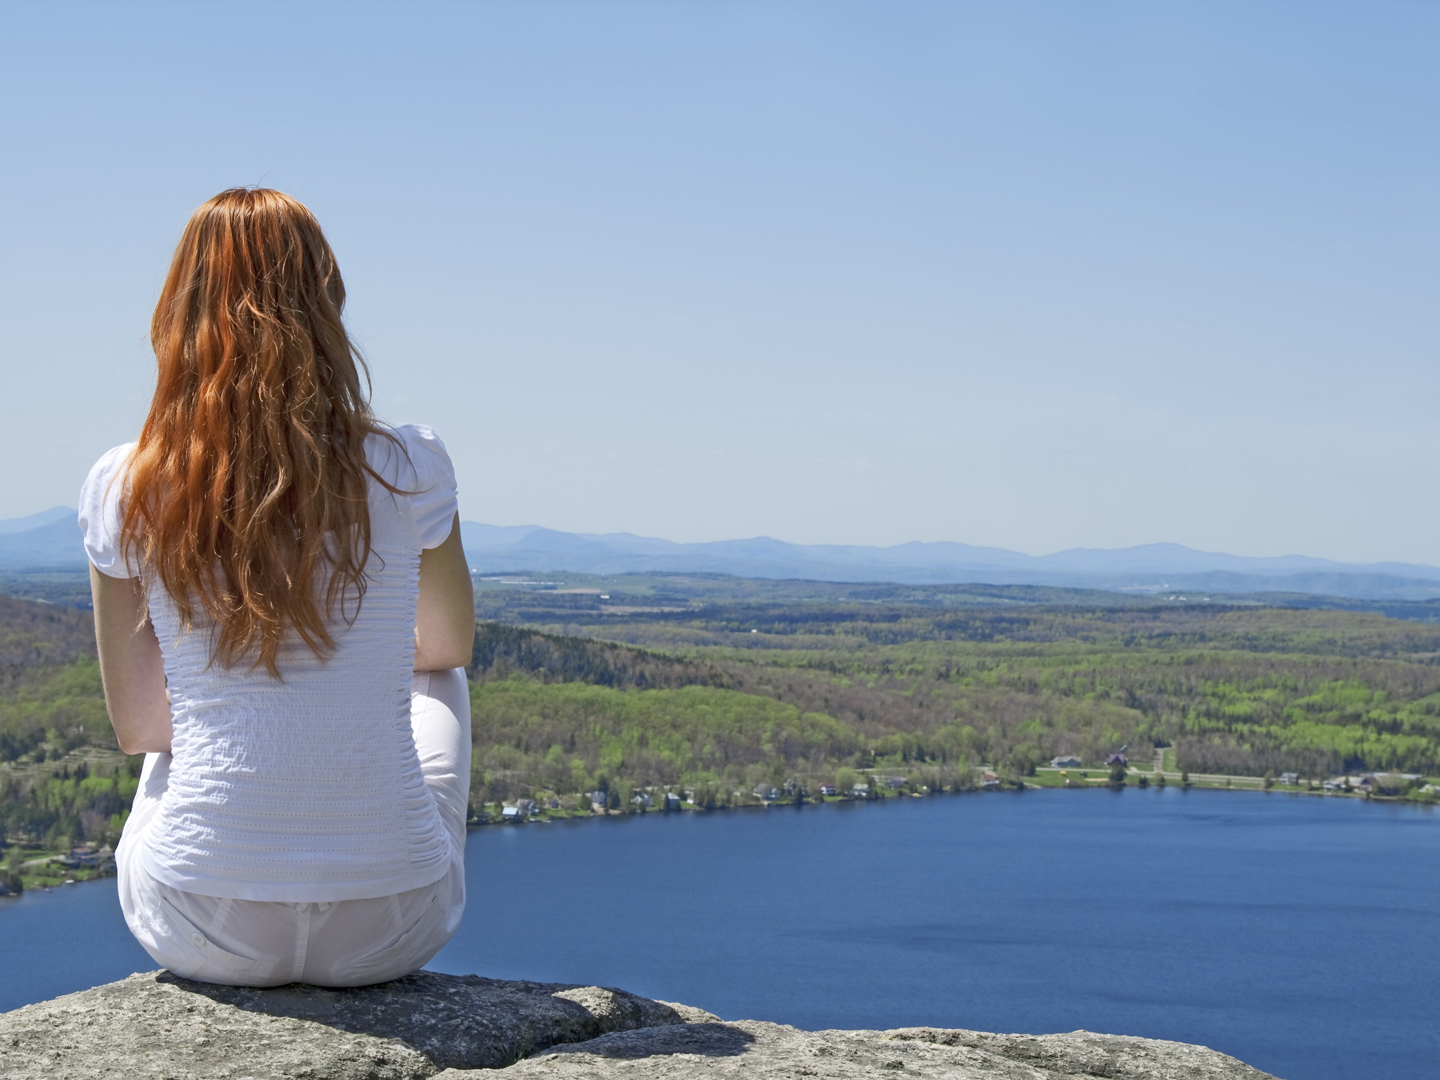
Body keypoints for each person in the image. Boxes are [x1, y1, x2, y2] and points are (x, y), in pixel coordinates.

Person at [79, 188, 475, 988]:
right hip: (394, 924)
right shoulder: (408, 465)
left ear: (179, 311)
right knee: (436, 676)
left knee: (179, 737)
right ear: (328, 302)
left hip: (201, 924)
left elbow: (141, 726)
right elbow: (447, 644)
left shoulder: (127, 484)